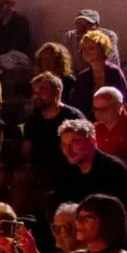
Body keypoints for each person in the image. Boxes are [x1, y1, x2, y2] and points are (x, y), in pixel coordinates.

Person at [15, 72, 86, 209]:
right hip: (39, 168)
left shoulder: (72, 117)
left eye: (42, 90)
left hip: (66, 168)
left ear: (57, 91)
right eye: (35, 91)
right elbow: (26, 149)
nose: (37, 95)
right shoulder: (33, 120)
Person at [53, 119, 127, 210]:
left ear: (92, 141)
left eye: (75, 143)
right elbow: (56, 204)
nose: (67, 151)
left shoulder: (113, 170)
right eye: (64, 145)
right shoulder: (66, 171)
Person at [68, 29, 127, 112]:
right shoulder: (83, 77)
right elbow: (77, 104)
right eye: (84, 48)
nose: (86, 51)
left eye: (91, 48)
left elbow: (123, 98)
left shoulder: (114, 72)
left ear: (102, 49)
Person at [91, 87, 127, 170]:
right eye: (96, 109)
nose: (98, 113)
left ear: (120, 106)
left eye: (104, 109)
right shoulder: (95, 127)